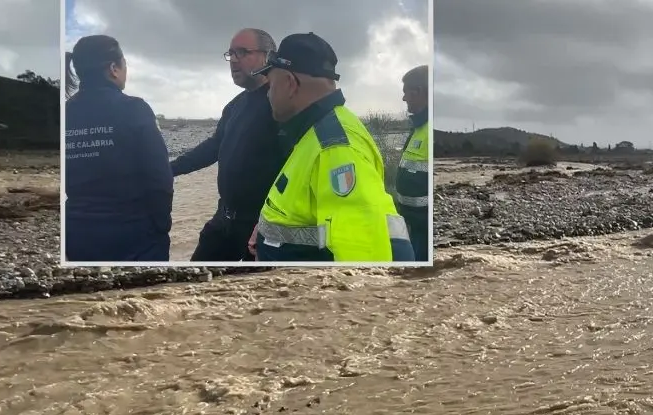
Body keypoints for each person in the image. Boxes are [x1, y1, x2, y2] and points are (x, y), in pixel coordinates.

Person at [247, 33, 413, 261]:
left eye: (271, 83)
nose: (268, 93)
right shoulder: (314, 131)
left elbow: (362, 259)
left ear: (289, 84)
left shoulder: (335, 147)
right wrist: (267, 232)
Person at [169, 29, 289, 261]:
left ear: (268, 56)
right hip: (224, 220)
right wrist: (169, 169)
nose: (234, 59)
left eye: (242, 52)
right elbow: (213, 147)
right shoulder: (234, 106)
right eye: (231, 53)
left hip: (261, 227)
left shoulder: (280, 106)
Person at [63, 35, 173, 261]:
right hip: (133, 234)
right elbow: (159, 177)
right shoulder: (134, 108)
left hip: (77, 232)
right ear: (114, 68)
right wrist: (161, 226)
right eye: (124, 64)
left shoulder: (65, 112)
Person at [391, 65, 430, 262]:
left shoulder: (429, 129)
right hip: (411, 223)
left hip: (423, 226)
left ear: (420, 92)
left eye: (407, 93)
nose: (404, 98)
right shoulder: (419, 127)